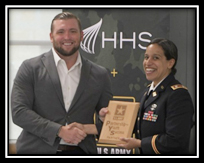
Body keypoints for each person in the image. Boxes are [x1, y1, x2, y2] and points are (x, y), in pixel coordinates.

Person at [11, 12, 113, 154]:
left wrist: (104, 119)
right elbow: (19, 112)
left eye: (73, 31)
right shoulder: (30, 68)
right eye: (60, 32)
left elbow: (112, 124)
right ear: (51, 37)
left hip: (82, 152)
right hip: (36, 151)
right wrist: (59, 131)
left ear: (82, 35)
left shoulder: (100, 74)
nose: (67, 37)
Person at [100, 38, 194, 154]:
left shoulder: (178, 95)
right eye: (146, 57)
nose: (148, 62)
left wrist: (139, 144)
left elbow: (175, 140)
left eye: (156, 58)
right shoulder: (147, 92)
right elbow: (136, 125)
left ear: (170, 63)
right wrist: (109, 118)